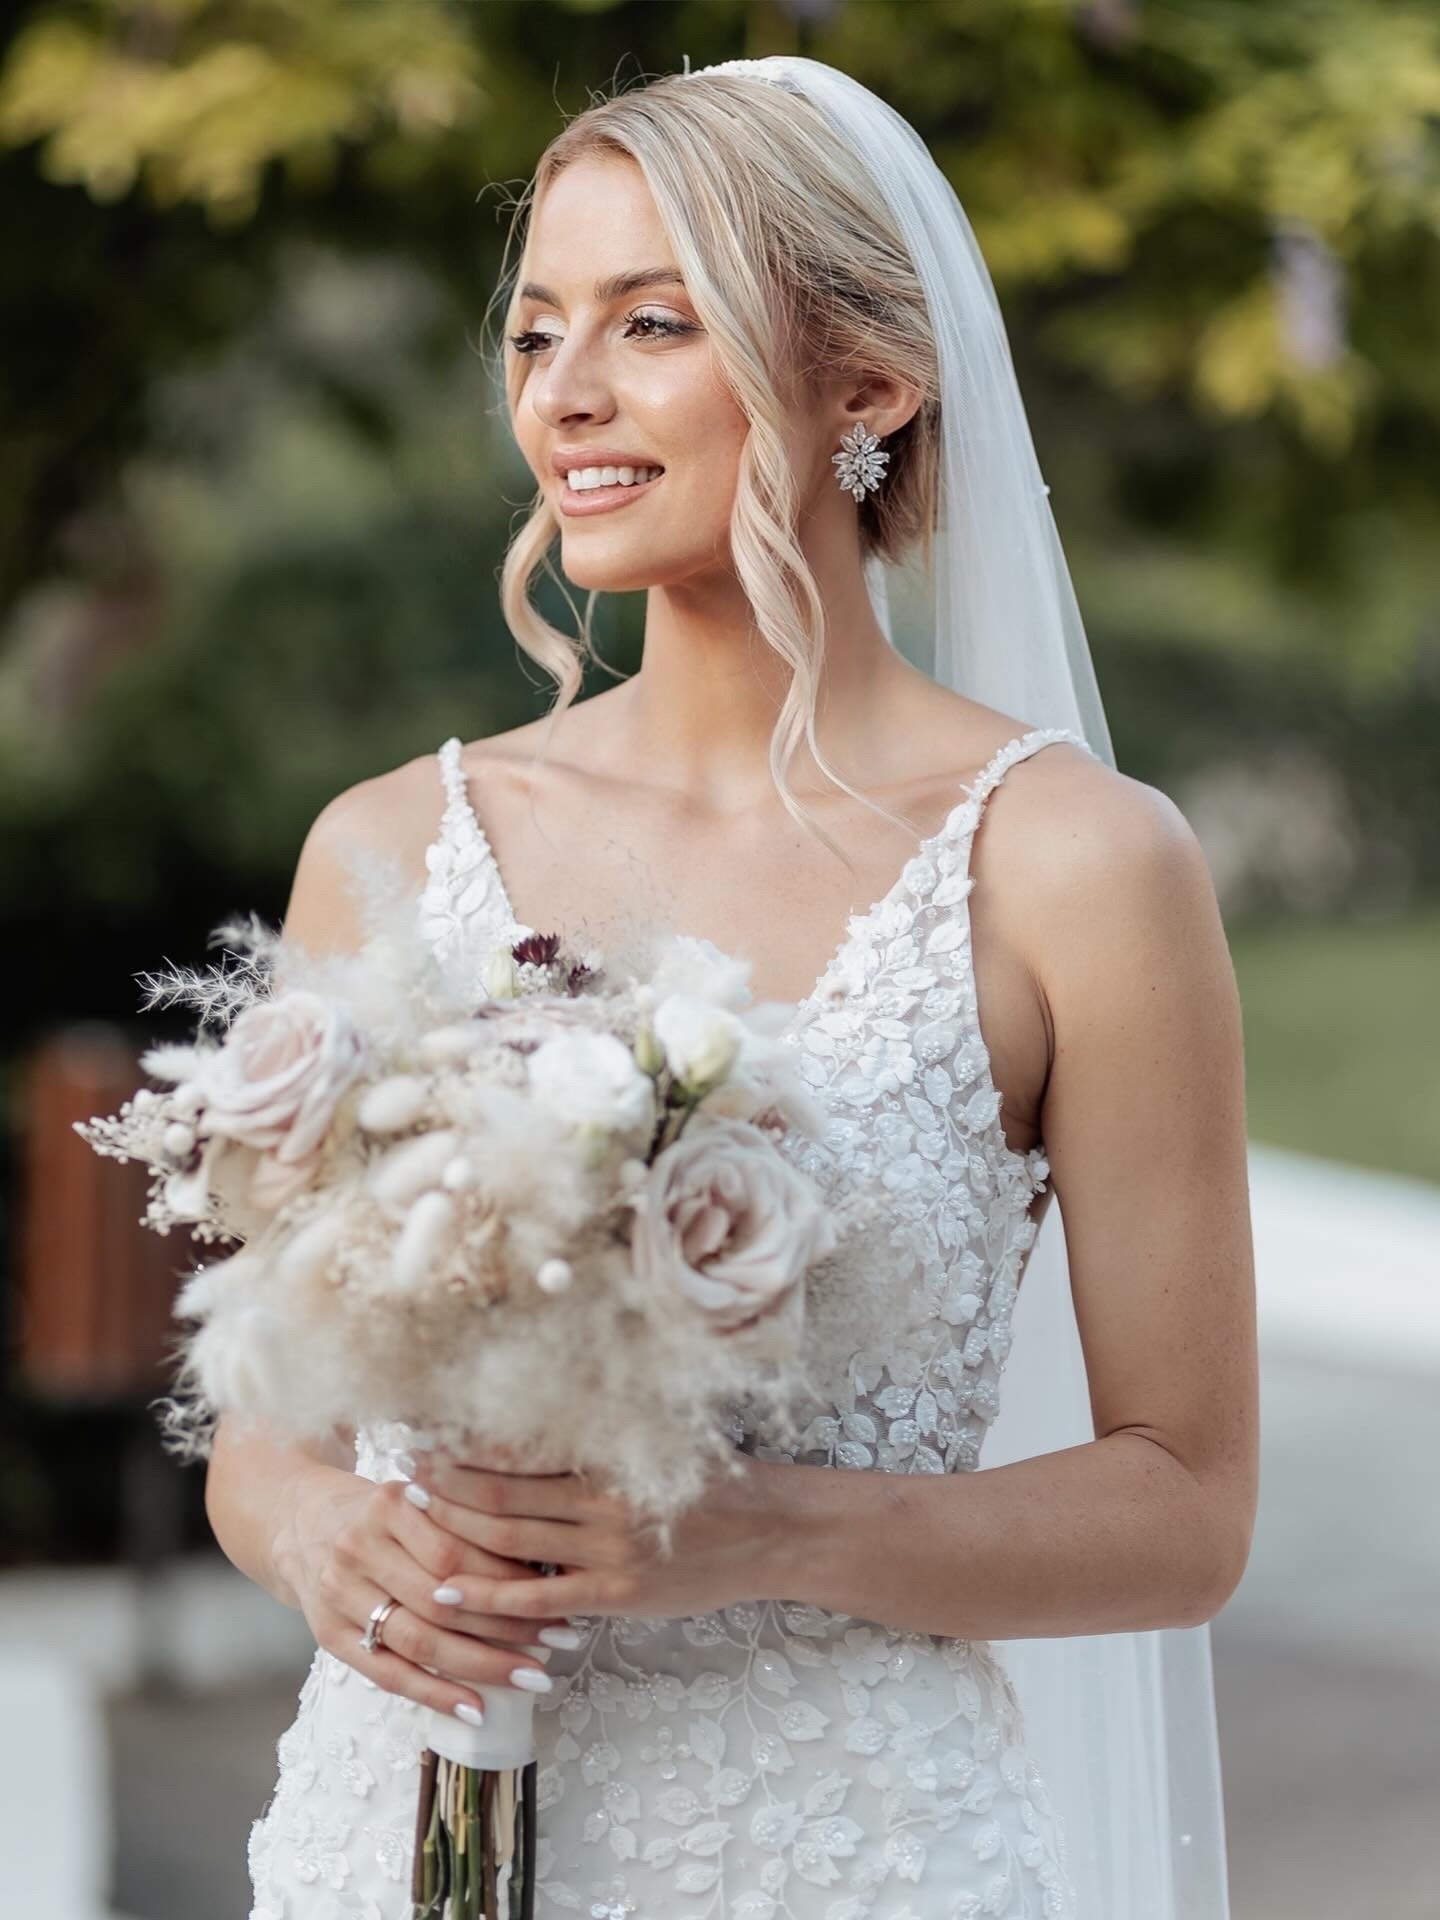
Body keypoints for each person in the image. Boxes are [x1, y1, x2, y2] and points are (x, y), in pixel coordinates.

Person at [206, 56, 1258, 1920]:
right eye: (537, 332)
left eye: (653, 322)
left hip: (849, 1851)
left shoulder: (1079, 866)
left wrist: (749, 1533)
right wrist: (316, 1534)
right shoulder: (386, 842)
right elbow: (265, 1423)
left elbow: (1185, 1506)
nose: (567, 395)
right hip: (396, 1827)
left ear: (871, 380)